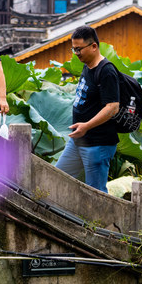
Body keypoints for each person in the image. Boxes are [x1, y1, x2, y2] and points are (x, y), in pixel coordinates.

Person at [55, 25, 120, 193]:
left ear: (93, 46)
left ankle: (101, 221)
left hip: (98, 144)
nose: (76, 54)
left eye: (79, 49)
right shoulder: (87, 66)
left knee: (96, 193)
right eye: (74, 49)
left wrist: (87, 126)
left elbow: (113, 107)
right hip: (78, 141)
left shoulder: (106, 71)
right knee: (56, 177)